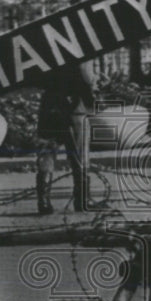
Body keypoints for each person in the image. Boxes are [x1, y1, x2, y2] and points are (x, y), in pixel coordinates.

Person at [34, 60, 104, 214]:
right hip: (74, 106)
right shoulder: (78, 44)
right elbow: (86, 75)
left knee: (47, 154)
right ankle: (82, 200)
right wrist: (95, 82)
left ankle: (43, 201)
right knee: (79, 156)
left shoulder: (39, 44)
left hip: (49, 104)